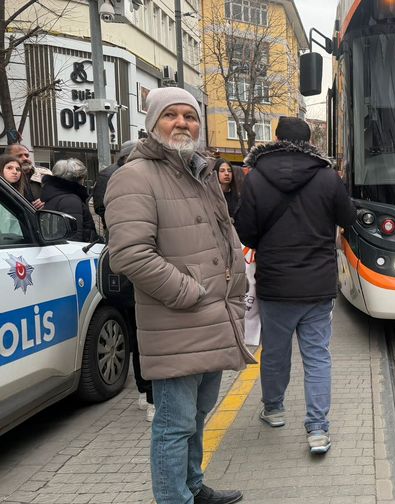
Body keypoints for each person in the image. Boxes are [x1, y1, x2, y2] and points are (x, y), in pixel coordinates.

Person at [105, 87, 254, 504]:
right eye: (171, 115)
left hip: (215, 317)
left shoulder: (200, 171)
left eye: (190, 116)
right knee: (173, 424)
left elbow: (225, 235)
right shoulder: (134, 177)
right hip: (178, 320)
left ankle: (192, 485)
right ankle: (175, 498)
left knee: (197, 417)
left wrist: (236, 287)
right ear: (153, 123)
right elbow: (130, 255)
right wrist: (189, 292)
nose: (182, 124)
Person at [234, 116, 355, 454]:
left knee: (274, 351)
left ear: (276, 139)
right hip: (317, 285)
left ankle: (274, 410)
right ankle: (317, 430)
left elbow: (246, 232)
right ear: (309, 141)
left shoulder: (256, 178)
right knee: (317, 356)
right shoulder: (327, 177)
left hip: (275, 284)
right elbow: (347, 218)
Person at [91, 140, 155, 422]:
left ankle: (146, 391)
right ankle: (149, 394)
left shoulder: (111, 179)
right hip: (139, 274)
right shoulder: (129, 182)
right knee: (142, 334)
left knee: (137, 333)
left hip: (128, 275)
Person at [40, 158, 97, 242]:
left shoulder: (55, 195)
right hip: (78, 251)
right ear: (78, 178)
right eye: (82, 177)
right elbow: (74, 237)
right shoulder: (70, 200)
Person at [5, 143, 47, 209]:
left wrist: (48, 199)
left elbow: (60, 194)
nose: (25, 158)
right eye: (19, 156)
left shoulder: (45, 173)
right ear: (7, 158)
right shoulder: (3, 178)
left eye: (27, 155)